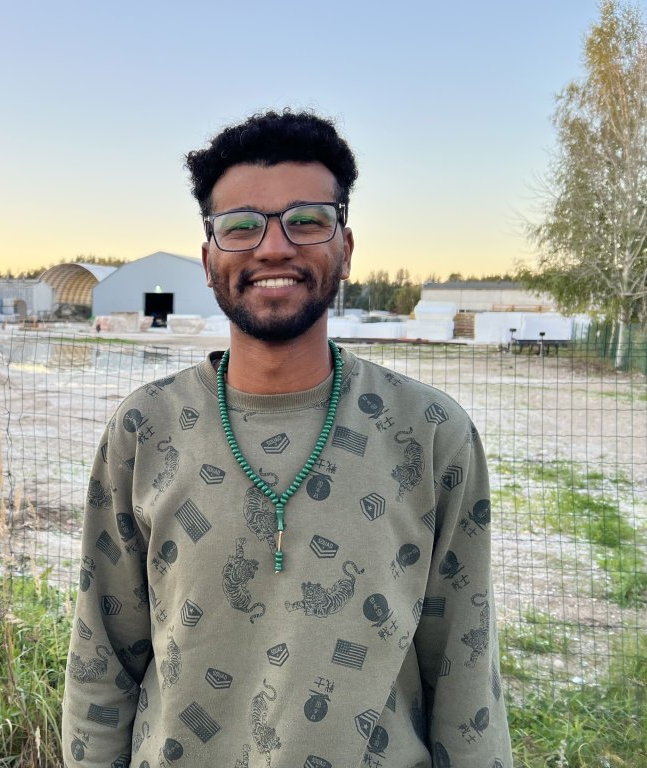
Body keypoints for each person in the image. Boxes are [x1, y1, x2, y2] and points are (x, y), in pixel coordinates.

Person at [62, 110, 511, 767]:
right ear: (209, 258)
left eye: (306, 220)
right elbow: (102, 659)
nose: (273, 247)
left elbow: (464, 666)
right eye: (240, 225)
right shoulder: (145, 429)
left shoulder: (431, 433)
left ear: (346, 248)